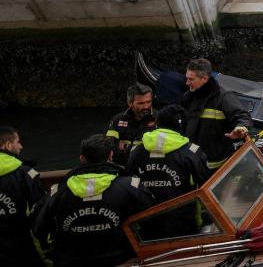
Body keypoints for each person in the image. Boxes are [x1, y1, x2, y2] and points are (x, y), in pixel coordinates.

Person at [32, 134, 154, 267]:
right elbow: (151, 216)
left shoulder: (58, 191)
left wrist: (52, 251)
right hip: (120, 258)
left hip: (72, 260)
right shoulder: (130, 186)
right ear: (110, 156)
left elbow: (39, 226)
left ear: (82, 158)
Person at [127, 105, 210, 203]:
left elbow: (130, 184)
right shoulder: (192, 151)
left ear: (157, 124)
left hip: (144, 215)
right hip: (181, 214)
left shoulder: (135, 151)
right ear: (182, 126)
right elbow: (206, 184)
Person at [181, 58, 252, 170]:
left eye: (191, 79)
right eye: (187, 78)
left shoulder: (223, 97)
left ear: (204, 78)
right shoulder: (188, 97)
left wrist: (240, 129)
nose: (187, 82)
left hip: (215, 165)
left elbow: (243, 116)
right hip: (192, 160)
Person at [0, 126, 46, 266]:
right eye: (17, 141)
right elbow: (40, 215)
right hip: (21, 249)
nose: (21, 146)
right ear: (8, 145)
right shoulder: (26, 173)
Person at [105, 83, 156, 167]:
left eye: (148, 102)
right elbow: (110, 145)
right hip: (122, 166)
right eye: (141, 103)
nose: (146, 106)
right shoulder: (117, 119)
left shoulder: (159, 118)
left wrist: (126, 147)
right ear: (130, 103)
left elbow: (158, 147)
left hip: (148, 166)